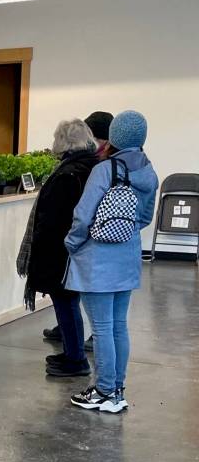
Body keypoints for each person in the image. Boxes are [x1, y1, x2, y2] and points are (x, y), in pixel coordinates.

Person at [65, 110, 158, 414]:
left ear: (115, 136)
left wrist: (72, 242)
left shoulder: (105, 170)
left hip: (97, 261)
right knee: (119, 326)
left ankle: (104, 391)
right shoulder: (148, 171)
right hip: (128, 259)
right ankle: (117, 390)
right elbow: (144, 218)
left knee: (102, 327)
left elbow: (83, 215)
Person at [21, 120, 99, 378]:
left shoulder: (68, 174)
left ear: (63, 141)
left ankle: (75, 359)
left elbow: (55, 220)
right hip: (83, 250)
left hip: (62, 252)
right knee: (70, 302)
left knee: (65, 303)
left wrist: (41, 256)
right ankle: (73, 353)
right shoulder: (93, 167)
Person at [41, 110, 113, 347]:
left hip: (81, 244)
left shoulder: (83, 170)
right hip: (92, 244)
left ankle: (79, 353)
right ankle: (70, 334)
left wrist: (70, 242)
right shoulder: (96, 164)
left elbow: (76, 215)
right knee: (72, 297)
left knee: (70, 297)